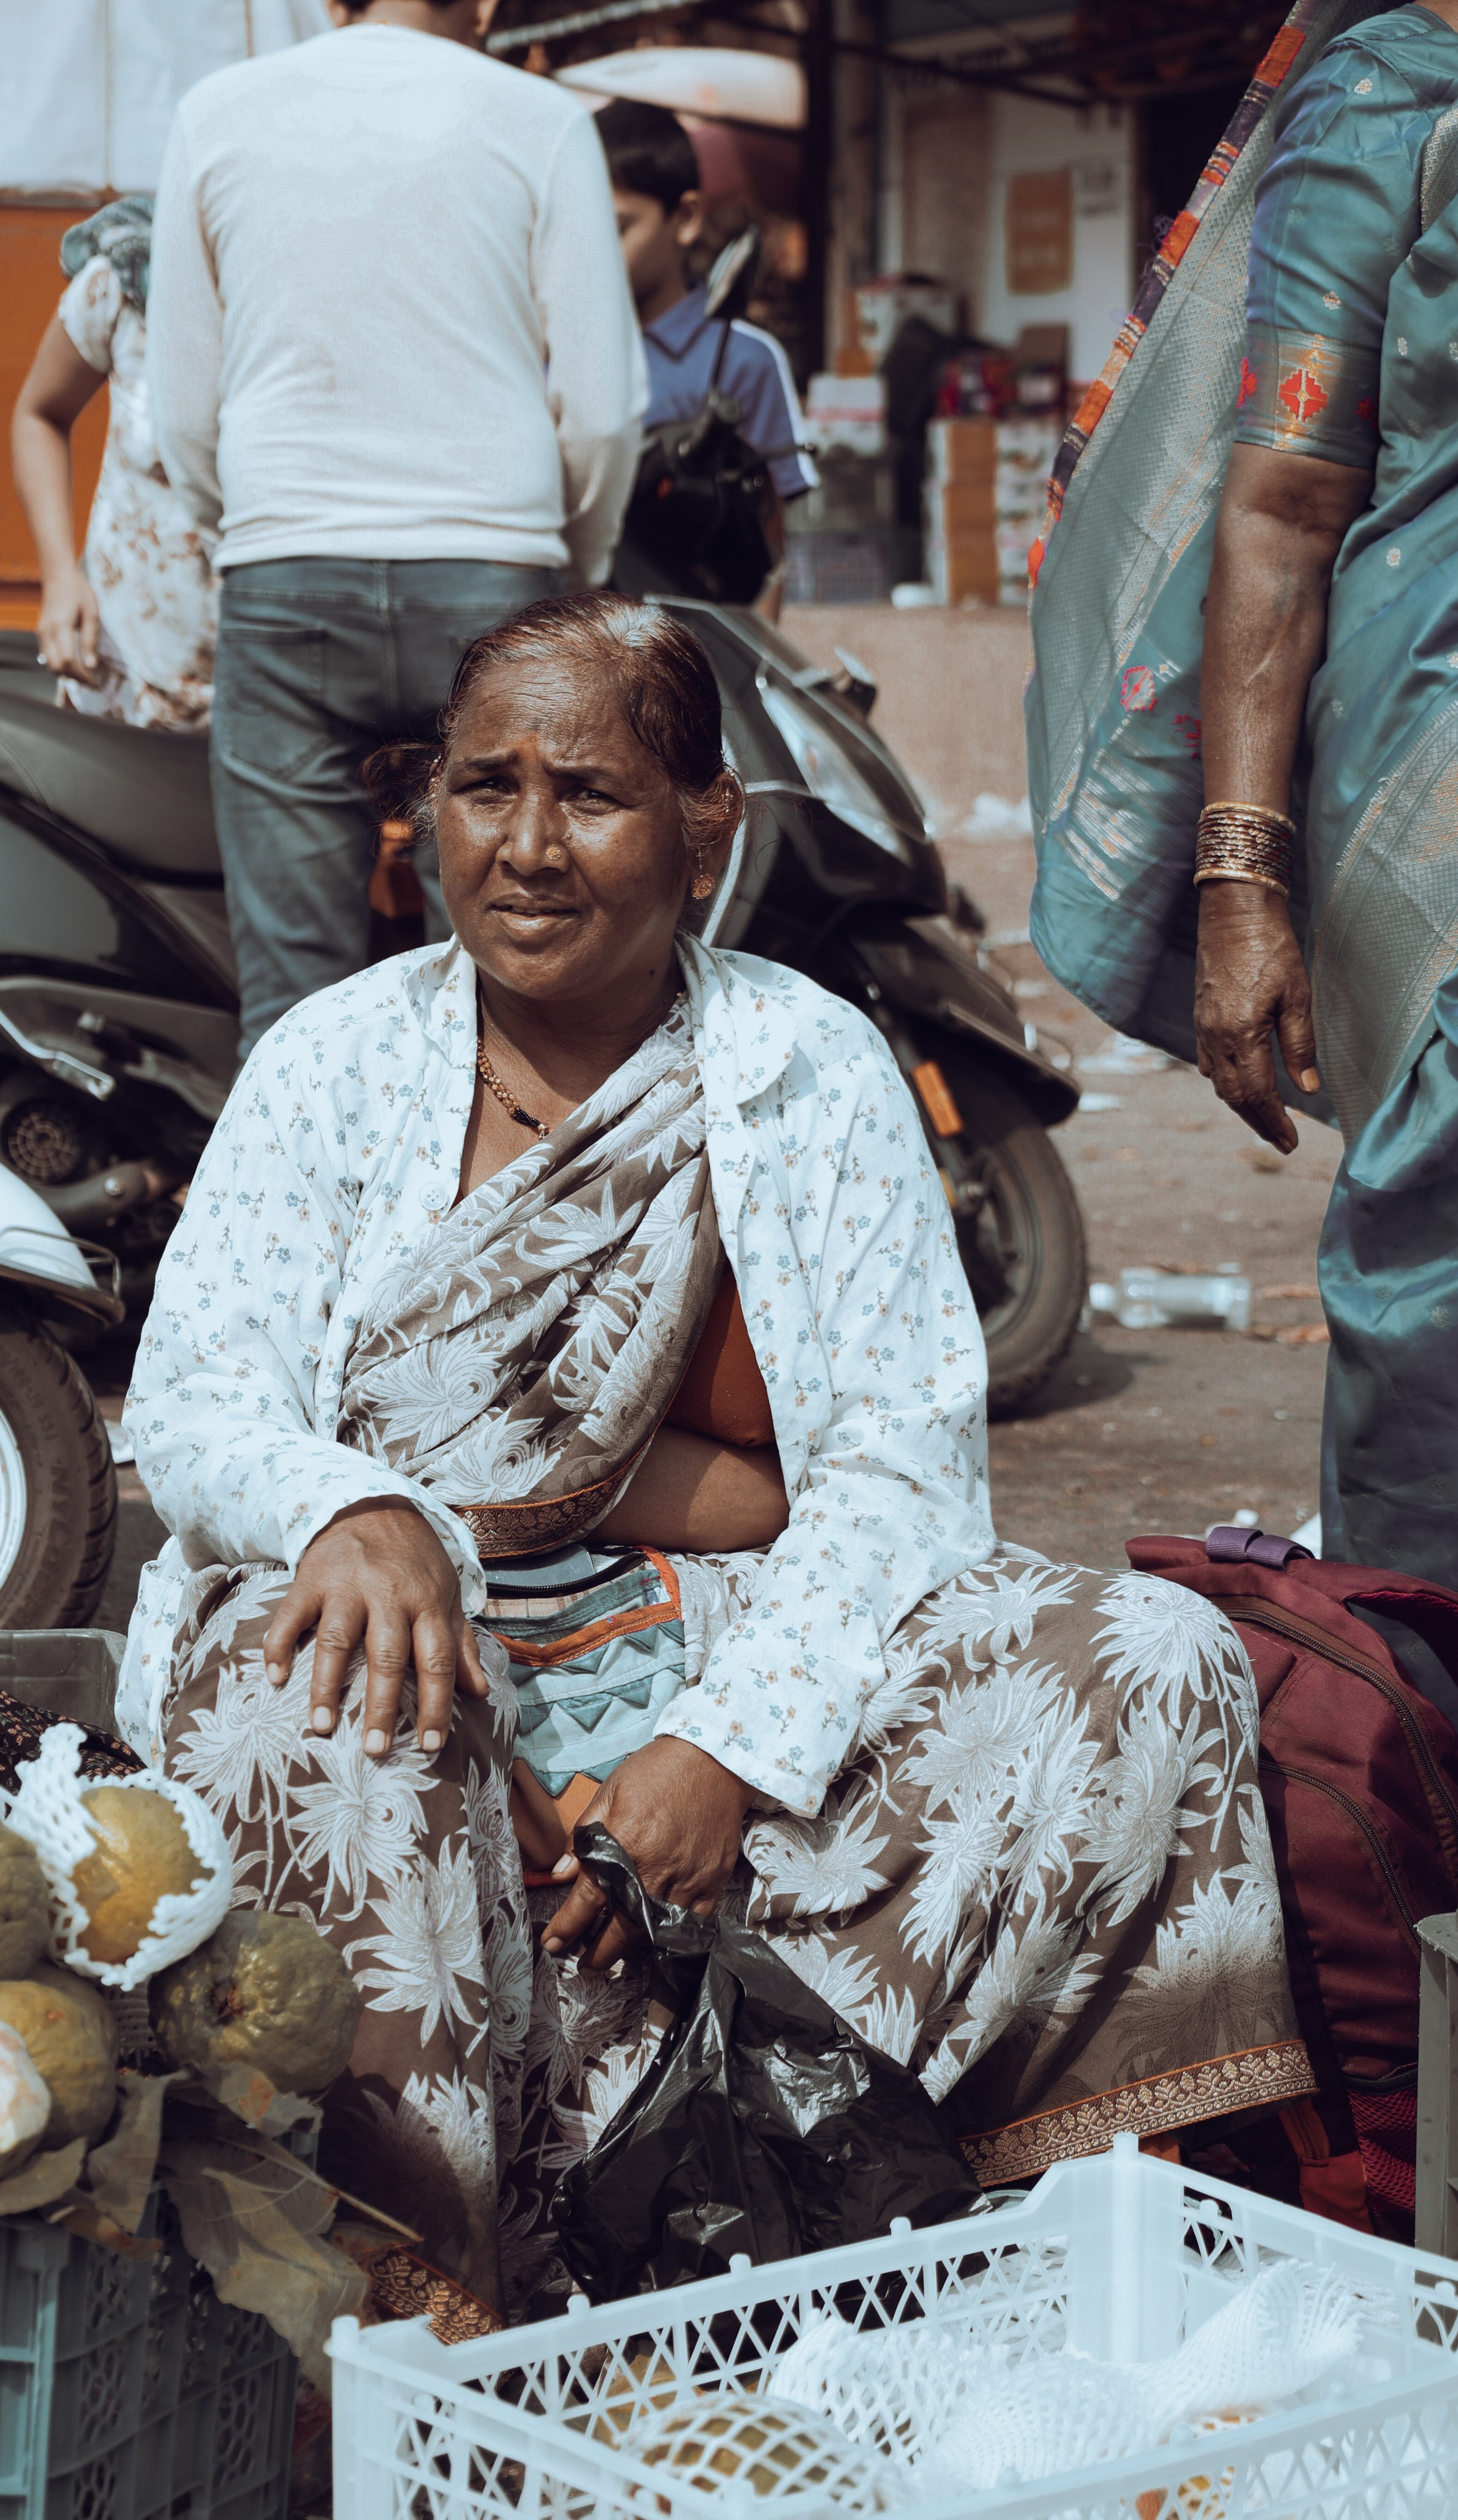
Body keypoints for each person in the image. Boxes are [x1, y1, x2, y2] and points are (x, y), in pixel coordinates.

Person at [123, 592, 1309, 2331]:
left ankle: (926, 2228)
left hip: (719, 1641)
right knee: (321, 1700)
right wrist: (349, 1501)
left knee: (1145, 1659)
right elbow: (195, 1399)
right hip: (407, 1630)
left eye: (585, 794)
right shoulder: (332, 1062)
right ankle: (424, 2307)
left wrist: (722, 1753)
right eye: (479, 787)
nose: (522, 848)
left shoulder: (801, 1068)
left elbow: (897, 1465)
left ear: (701, 835)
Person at [146, 0, 645, 1061]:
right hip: (495, 574)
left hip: (285, 572)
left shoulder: (218, 114)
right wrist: (577, 572)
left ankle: (312, 1224)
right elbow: (602, 412)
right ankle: (506, 1218)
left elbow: (180, 411)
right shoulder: (542, 121)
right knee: (515, 978)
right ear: (490, 4)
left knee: (292, 999)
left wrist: (244, 524)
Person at [1190, 1, 1458, 1582]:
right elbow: (1279, 511)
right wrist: (1241, 883)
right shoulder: (1389, 98)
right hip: (1433, 800)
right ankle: (1420, 1736)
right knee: (1436, 1295)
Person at [596, 98, 818, 611]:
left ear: (686, 217)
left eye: (618, 228)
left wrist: (745, 676)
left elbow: (780, 545)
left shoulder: (745, 359)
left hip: (706, 655)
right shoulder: (558, 358)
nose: (595, 250)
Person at [10, 197, 216, 731]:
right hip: (126, 678)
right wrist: (59, 578)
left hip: (273, 694)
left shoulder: (314, 297)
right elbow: (40, 415)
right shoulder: (127, 285)